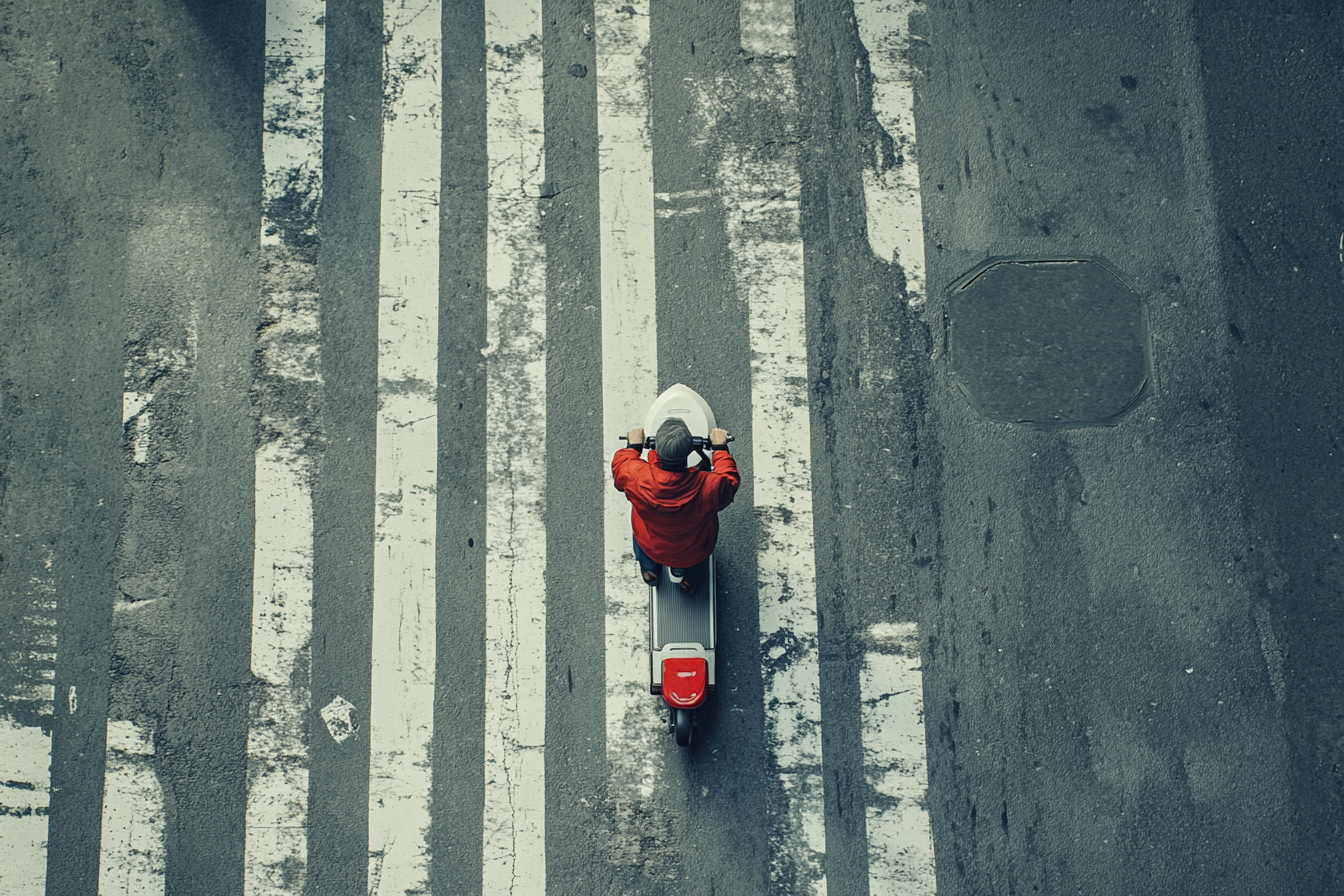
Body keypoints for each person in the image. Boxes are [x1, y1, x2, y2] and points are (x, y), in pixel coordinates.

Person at [613, 417, 740, 593]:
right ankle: (688, 583)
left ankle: (650, 572)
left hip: (650, 541)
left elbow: (621, 467)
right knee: (696, 563)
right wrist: (720, 449)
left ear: (657, 450)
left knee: (645, 546)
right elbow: (730, 481)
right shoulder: (710, 487)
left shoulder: (635, 476)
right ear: (688, 451)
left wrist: (633, 446)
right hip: (695, 547)